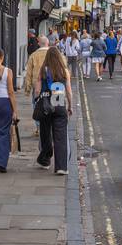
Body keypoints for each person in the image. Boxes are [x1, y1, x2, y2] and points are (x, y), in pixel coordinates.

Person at [34, 46, 73, 176]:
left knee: (45, 134)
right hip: (59, 103)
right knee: (60, 137)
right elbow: (69, 91)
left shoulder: (43, 70)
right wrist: (70, 106)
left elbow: (37, 90)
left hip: (46, 104)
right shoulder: (64, 71)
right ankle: (61, 167)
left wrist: (36, 100)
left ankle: (45, 161)